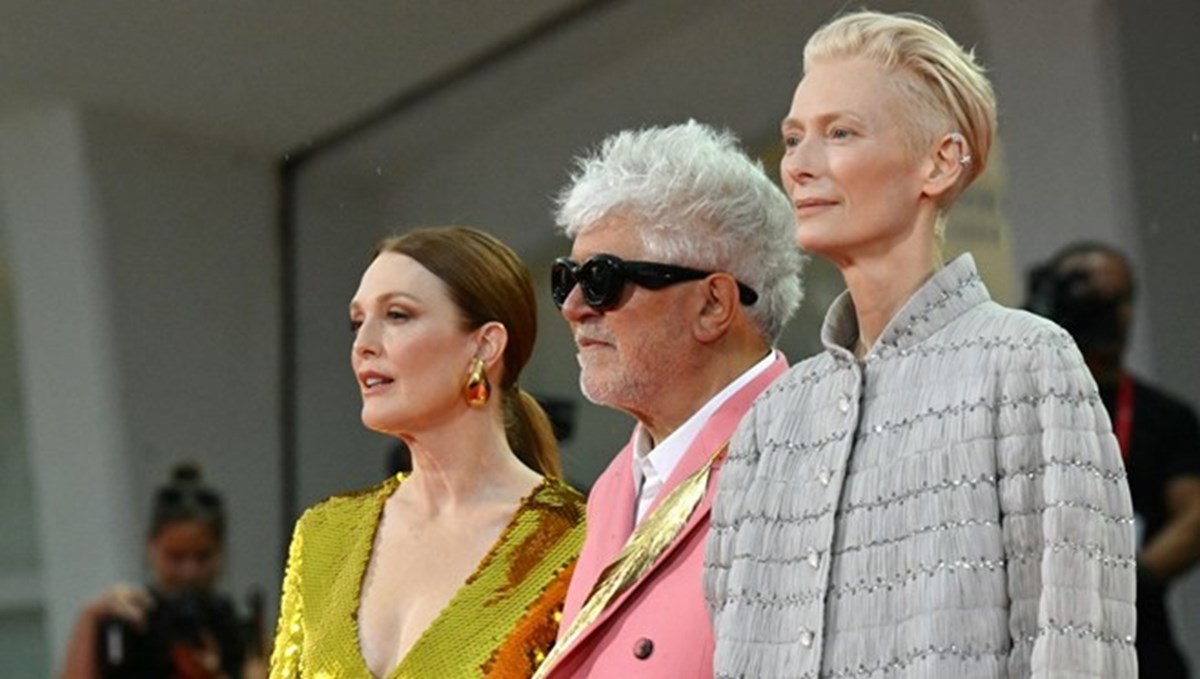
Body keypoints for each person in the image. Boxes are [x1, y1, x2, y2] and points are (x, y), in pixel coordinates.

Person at [705, 11, 1137, 678]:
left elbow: (1080, 644)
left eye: (840, 133)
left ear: (940, 161)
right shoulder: (775, 418)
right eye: (793, 139)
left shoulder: (1025, 362)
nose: (798, 166)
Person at [531, 121, 803, 678]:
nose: (574, 306)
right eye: (567, 279)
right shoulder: (614, 485)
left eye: (604, 278)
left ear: (713, 305)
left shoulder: (806, 458)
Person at [268, 226, 586, 678]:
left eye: (397, 315)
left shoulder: (575, 543)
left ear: (485, 345)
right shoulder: (323, 536)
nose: (363, 345)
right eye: (357, 322)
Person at [1029, 241, 1200, 677]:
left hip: (1140, 646)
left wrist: (1126, 579)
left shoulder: (1164, 416)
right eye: (1090, 297)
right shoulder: (1023, 403)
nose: (1109, 312)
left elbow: (1195, 516)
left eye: (1118, 298)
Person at [61, 464, 255, 679]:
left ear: (220, 552)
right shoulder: (132, 621)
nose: (189, 572)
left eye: (202, 557)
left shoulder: (230, 622)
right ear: (151, 548)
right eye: (176, 557)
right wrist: (90, 618)